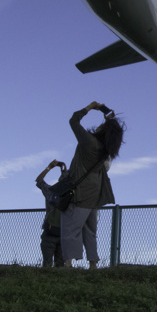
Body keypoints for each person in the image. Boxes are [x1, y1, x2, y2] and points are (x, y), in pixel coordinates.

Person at [60, 101, 124, 269]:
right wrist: (109, 118)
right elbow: (112, 131)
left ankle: (68, 262)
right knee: (90, 231)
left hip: (80, 193)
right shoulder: (105, 149)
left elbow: (73, 121)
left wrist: (88, 108)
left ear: (103, 131)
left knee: (70, 229)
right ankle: (93, 264)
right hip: (95, 194)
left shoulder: (89, 142)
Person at [35, 159, 67, 268]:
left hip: (49, 231)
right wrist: (65, 171)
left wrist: (49, 167)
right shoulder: (72, 195)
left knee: (47, 264)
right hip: (64, 233)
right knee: (60, 265)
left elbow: (39, 180)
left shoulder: (51, 192)